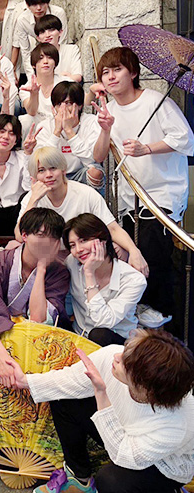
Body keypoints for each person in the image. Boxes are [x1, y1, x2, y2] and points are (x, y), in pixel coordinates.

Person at [11, 329, 194, 493]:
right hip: (124, 432)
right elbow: (68, 380)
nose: (117, 356)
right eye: (125, 351)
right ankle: (79, 480)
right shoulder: (115, 358)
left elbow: (124, 456)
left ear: (145, 389)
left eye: (126, 362)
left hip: (163, 467)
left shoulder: (178, 424)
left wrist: (101, 393)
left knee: (111, 484)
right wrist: (24, 381)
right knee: (63, 396)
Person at [92, 46, 194, 333]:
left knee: (152, 249)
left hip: (163, 192)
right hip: (130, 197)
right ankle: (139, 312)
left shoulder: (156, 102)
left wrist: (146, 148)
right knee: (130, 251)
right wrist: (105, 129)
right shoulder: (109, 111)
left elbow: (186, 139)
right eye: (105, 72)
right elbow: (98, 155)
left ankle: (161, 314)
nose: (111, 77)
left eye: (118, 70)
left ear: (133, 72)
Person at [0, 208, 70, 387]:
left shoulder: (59, 273)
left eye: (53, 237)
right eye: (41, 235)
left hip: (34, 342)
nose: (47, 242)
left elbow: (38, 319)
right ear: (24, 235)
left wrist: (41, 269)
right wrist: (2, 357)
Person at [13, 146, 148, 276]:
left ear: (63, 170)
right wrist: (34, 199)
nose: (48, 175)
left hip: (83, 252)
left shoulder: (85, 193)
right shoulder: (31, 198)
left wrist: (134, 251)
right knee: (14, 247)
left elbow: (112, 228)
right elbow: (20, 236)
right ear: (34, 177)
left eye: (53, 168)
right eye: (41, 170)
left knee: (119, 249)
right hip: (49, 256)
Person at [63, 214, 147, 346]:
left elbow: (104, 322)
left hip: (114, 341)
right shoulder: (72, 262)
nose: (78, 250)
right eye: (72, 245)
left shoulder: (133, 280)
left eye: (84, 240)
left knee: (99, 334)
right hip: (79, 337)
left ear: (103, 239)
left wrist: (89, 274)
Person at [25, 81, 104, 190]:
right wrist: (56, 132)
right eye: (59, 104)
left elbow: (92, 160)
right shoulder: (45, 126)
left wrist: (69, 131)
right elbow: (42, 162)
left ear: (80, 105)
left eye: (68, 103)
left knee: (95, 173)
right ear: (53, 108)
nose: (63, 108)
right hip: (53, 174)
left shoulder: (91, 122)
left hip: (80, 172)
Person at [11, 0, 68, 70]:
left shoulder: (58, 13)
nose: (38, 8)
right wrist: (31, 75)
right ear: (27, 5)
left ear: (48, 2)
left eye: (42, 4)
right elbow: (26, 53)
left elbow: (62, 42)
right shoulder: (22, 20)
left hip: (58, 52)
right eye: (34, 5)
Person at [22, 15, 82, 82]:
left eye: (51, 30)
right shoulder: (33, 56)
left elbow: (77, 77)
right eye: (42, 32)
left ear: (60, 32)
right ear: (38, 38)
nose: (47, 35)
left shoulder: (71, 50)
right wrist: (64, 77)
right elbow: (34, 82)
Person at [19, 43, 67, 120]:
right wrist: (34, 94)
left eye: (50, 58)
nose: (45, 61)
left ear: (55, 63)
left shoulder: (66, 82)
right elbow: (31, 112)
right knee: (26, 120)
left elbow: (84, 99)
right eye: (40, 58)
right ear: (33, 65)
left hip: (62, 120)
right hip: (38, 123)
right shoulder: (26, 88)